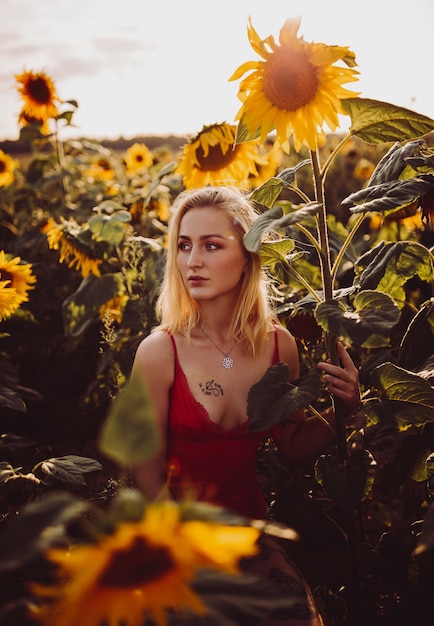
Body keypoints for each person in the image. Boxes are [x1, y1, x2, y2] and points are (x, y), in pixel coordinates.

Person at [130, 186, 361, 626]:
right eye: (183, 245)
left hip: (248, 526)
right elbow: (146, 474)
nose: (191, 260)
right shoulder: (160, 352)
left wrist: (342, 412)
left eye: (211, 245)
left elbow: (292, 445)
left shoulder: (279, 346)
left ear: (249, 256)